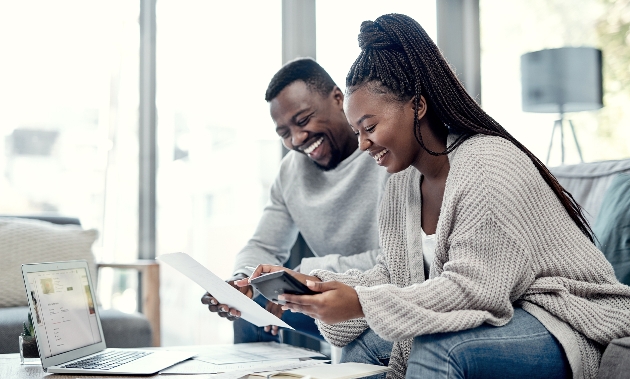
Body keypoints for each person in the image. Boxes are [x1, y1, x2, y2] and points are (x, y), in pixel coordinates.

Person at [239, 14, 630, 379]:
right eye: (357, 130)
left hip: (562, 317)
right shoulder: (401, 183)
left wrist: (361, 303)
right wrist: (318, 284)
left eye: (370, 126)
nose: (363, 144)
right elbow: (394, 276)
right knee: (365, 342)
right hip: (504, 311)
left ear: (418, 105)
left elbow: (476, 290)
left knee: (438, 347)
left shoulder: (488, 163)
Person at [201, 58, 390, 343]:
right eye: (284, 133)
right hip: (321, 293)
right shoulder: (291, 171)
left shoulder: (385, 153)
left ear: (338, 98)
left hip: (377, 296)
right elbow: (263, 245)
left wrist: (304, 275)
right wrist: (242, 283)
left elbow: (395, 261)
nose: (298, 138)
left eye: (303, 120)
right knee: (250, 312)